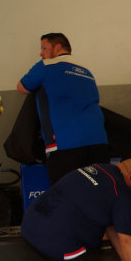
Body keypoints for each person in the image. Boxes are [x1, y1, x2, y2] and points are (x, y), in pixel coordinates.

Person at [17, 32, 109, 184]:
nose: (41, 53)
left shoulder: (46, 66)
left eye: (44, 48)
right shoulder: (86, 71)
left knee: (66, 197)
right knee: (98, 194)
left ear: (58, 47)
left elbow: (22, 87)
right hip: (99, 142)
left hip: (66, 144)